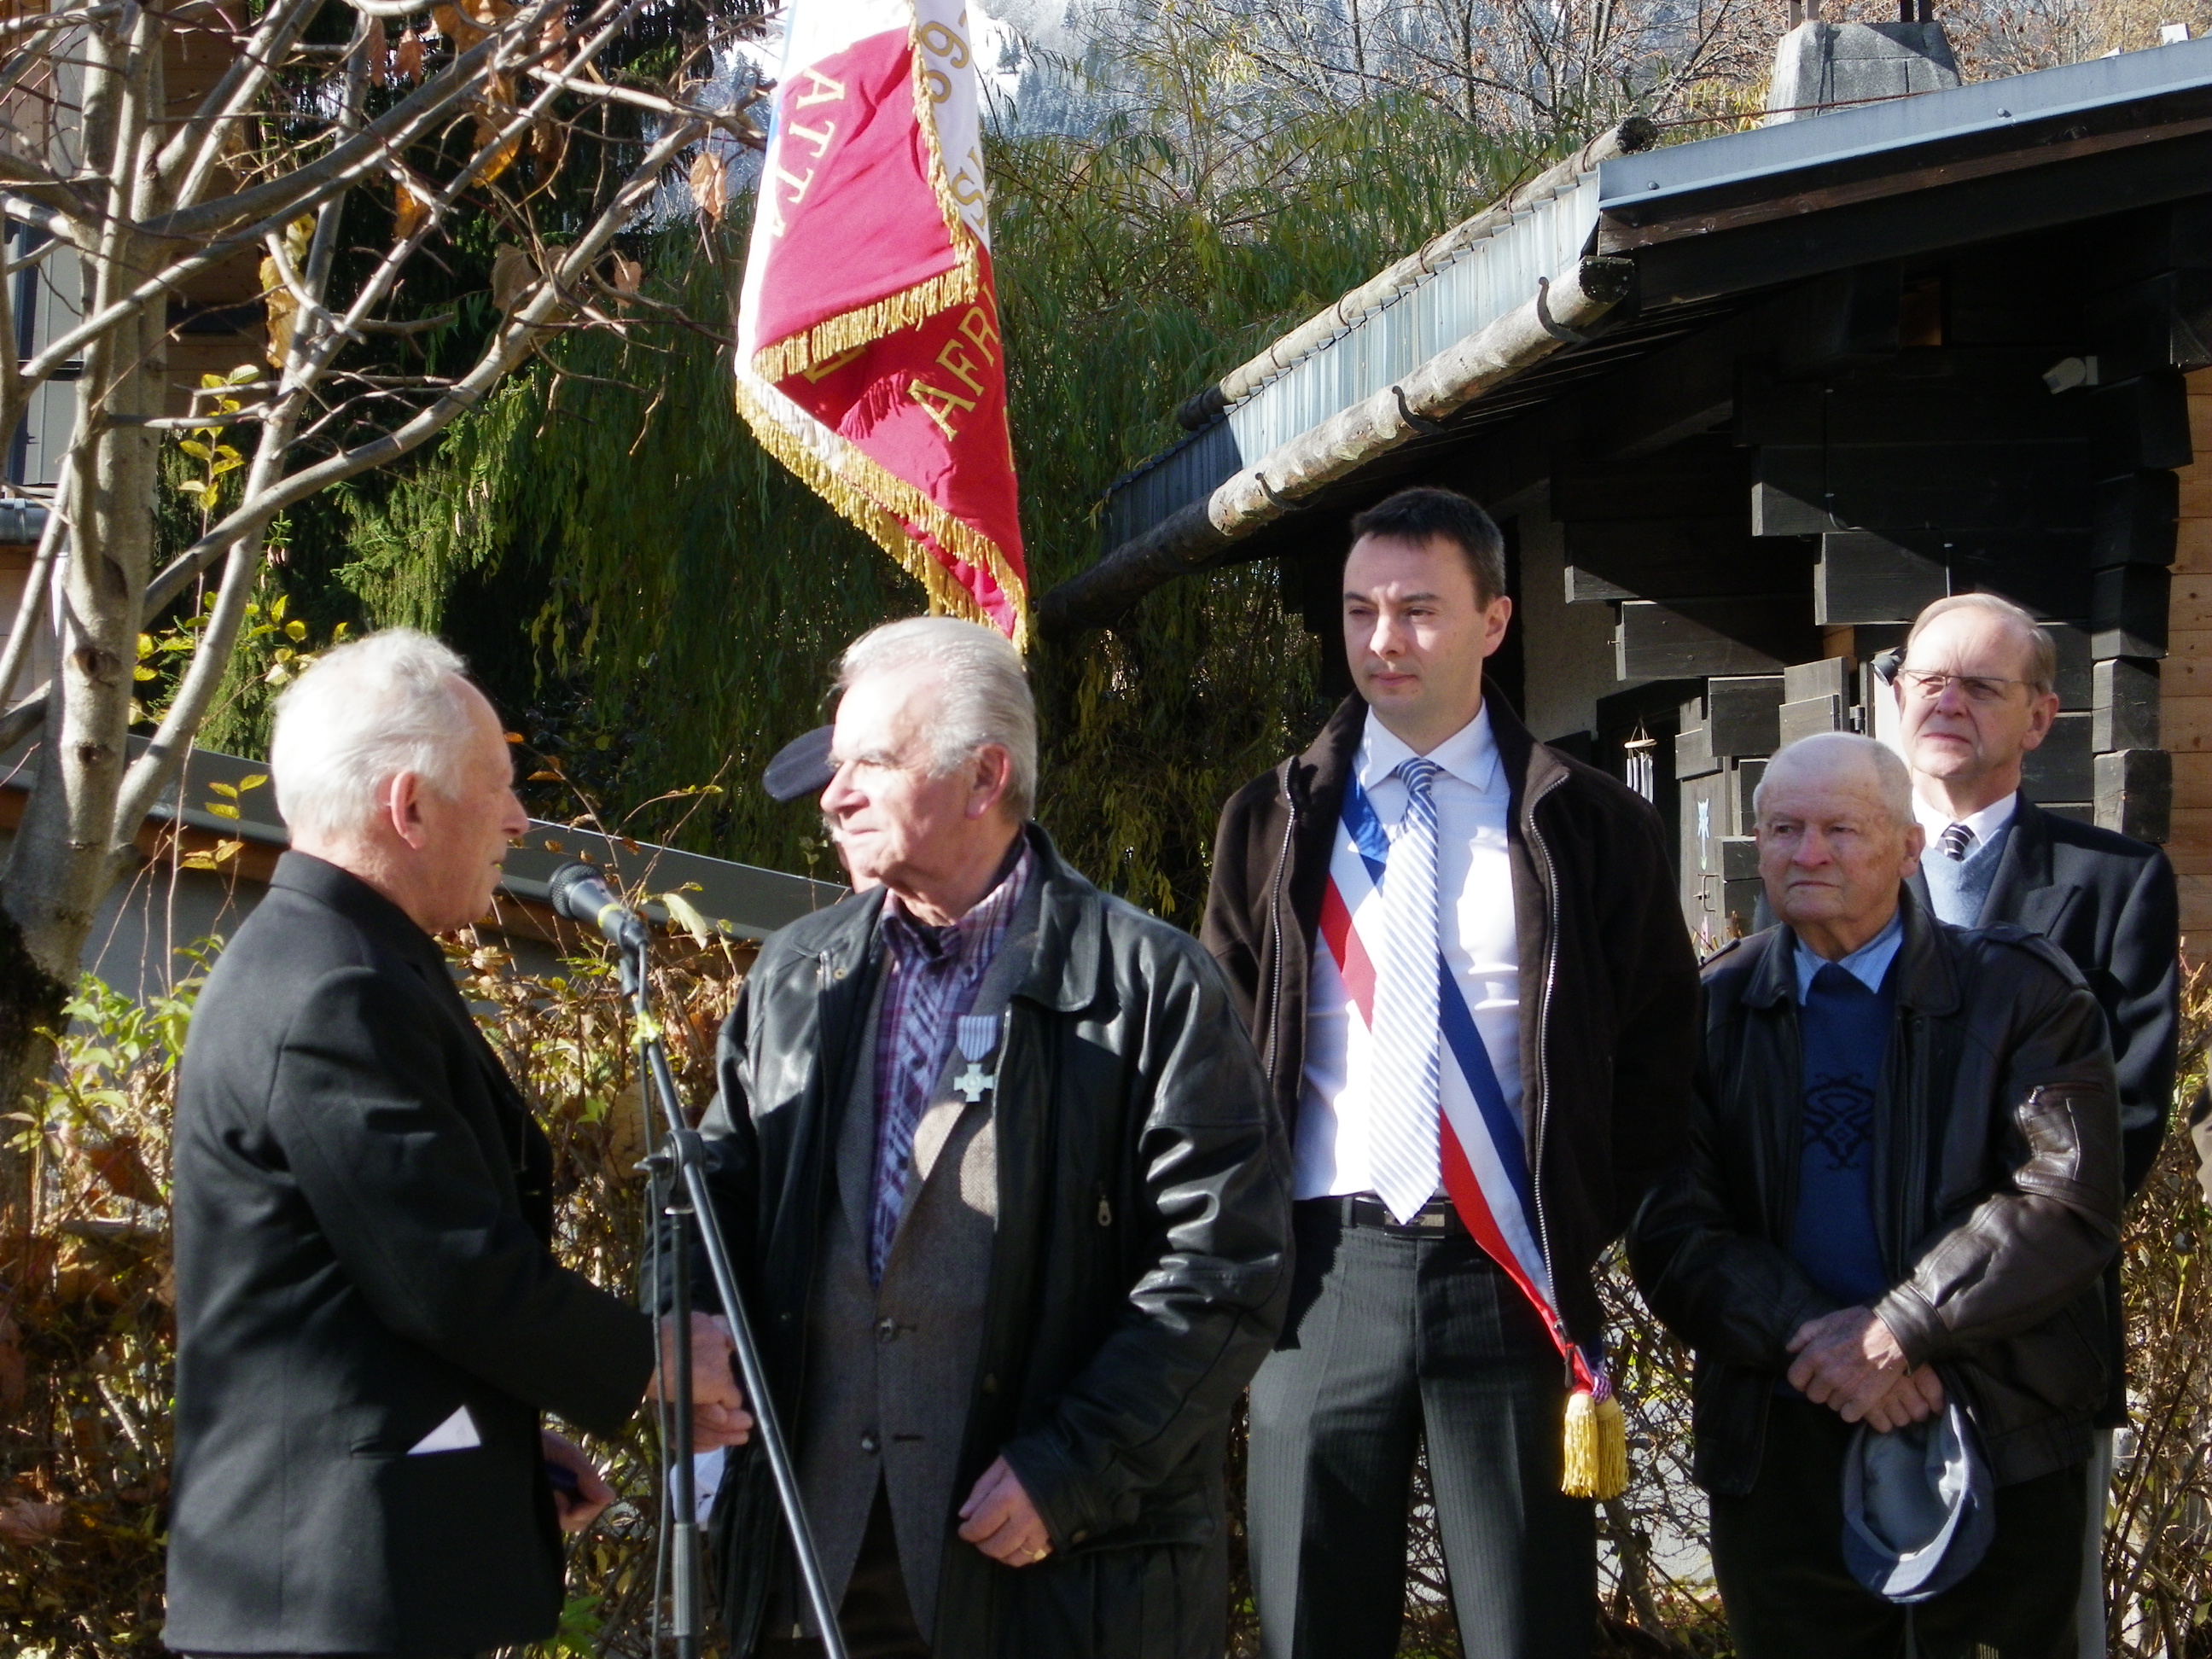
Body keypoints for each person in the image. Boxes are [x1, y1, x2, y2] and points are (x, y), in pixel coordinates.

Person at [693, 617, 1291, 1659]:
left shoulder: (1148, 985)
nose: (832, 797)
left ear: (984, 779)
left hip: (1045, 1567)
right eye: (835, 766)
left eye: (870, 765)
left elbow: (1226, 1267)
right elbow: (708, 1199)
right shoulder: (796, 977)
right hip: (813, 1553)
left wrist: (1074, 1468)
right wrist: (682, 1331)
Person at [166, 629, 748, 1659]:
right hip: (327, 1602)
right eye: (500, 786)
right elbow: (444, 1272)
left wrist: (501, 1445)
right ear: (411, 806)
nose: (521, 820)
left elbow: (352, 1299)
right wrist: (656, 1356)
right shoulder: (334, 989)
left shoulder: (343, 959)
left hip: (346, 1582)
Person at [1202, 486, 1699, 1659]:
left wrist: (1577, 1211)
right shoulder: (1272, 822)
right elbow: (1215, 1060)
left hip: (1510, 1275)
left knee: (1529, 1630)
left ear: (1495, 620)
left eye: (1419, 611)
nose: (1383, 640)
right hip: (1319, 1280)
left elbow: (1661, 1057)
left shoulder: (1591, 826)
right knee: (1310, 1629)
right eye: (1361, 610)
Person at [1628, 732, 2122, 1659]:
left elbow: (2067, 1200)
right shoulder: (1709, 1011)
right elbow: (1670, 1224)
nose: (1807, 853)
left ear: (1908, 846)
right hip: (1781, 1431)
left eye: (1840, 830)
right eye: (1784, 829)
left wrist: (1899, 1331)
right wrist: (1823, 1342)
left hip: (1994, 1418)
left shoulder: (2022, 995)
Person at [1890, 592, 2180, 1656]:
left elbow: (2127, 1124)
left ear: (2040, 719)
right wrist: (1879, 1310)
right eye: (1928, 680)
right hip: (1857, 1326)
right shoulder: (1834, 858)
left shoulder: (2114, 884)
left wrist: (1962, 1282)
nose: (1947, 704)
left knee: (2044, 1631)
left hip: (2036, 1339)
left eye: (1980, 686)